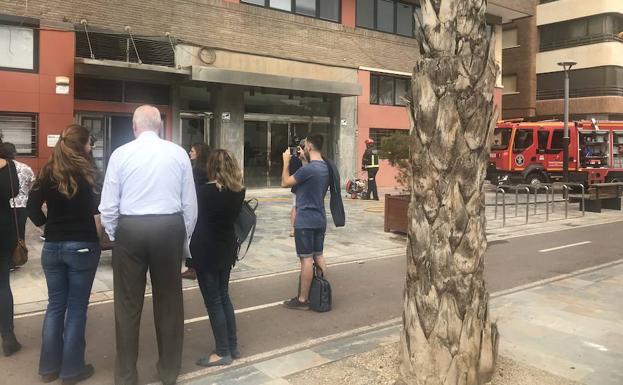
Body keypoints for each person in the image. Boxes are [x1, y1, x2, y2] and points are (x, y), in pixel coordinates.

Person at [99, 105, 197, 385]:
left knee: (127, 305)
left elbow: (108, 205)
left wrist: (116, 233)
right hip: (168, 226)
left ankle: (126, 375)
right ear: (161, 126)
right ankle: (168, 371)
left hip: (130, 228)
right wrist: (184, 236)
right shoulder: (177, 153)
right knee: (169, 301)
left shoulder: (121, 154)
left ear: (134, 127)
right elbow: (190, 203)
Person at [27, 124, 101, 384]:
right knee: (77, 308)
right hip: (82, 246)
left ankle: (48, 369)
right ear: (81, 146)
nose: (91, 147)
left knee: (55, 307)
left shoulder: (47, 172)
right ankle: (71, 371)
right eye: (89, 143)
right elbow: (98, 209)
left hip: (53, 248)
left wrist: (47, 225)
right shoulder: (88, 173)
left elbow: (32, 208)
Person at [190, 149, 245, 367]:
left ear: (211, 167)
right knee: (223, 296)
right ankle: (232, 345)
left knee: (213, 301)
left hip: (206, 250)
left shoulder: (203, 192)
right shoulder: (238, 191)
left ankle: (222, 351)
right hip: (226, 248)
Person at [280, 134, 329, 310]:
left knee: (306, 259)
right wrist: (303, 160)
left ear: (308, 146)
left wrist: (286, 161)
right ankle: (321, 290)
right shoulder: (324, 167)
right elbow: (310, 182)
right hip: (320, 219)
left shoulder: (307, 170)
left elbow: (285, 182)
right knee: (319, 254)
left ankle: (303, 300)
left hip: (305, 221)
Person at [0, 155, 20, 357]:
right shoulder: (9, 166)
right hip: (3, 228)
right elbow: (15, 191)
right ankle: (8, 337)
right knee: (2, 285)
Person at [182, 142, 210, 280]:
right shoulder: (208, 168)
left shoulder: (197, 170)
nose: (190, 152)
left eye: (192, 151)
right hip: (205, 207)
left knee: (192, 237)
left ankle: (192, 268)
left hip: (196, 206)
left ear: (198, 153)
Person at [0, 142, 35, 248]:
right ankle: (18, 256)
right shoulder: (25, 168)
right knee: (19, 233)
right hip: (21, 206)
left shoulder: (2, 168)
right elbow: (32, 186)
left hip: (5, 205)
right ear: (14, 153)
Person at [288, 139, 306, 237]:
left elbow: (290, 173)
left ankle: (293, 229)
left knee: (295, 206)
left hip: (295, 185)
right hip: (304, 186)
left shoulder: (293, 159)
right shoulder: (308, 159)